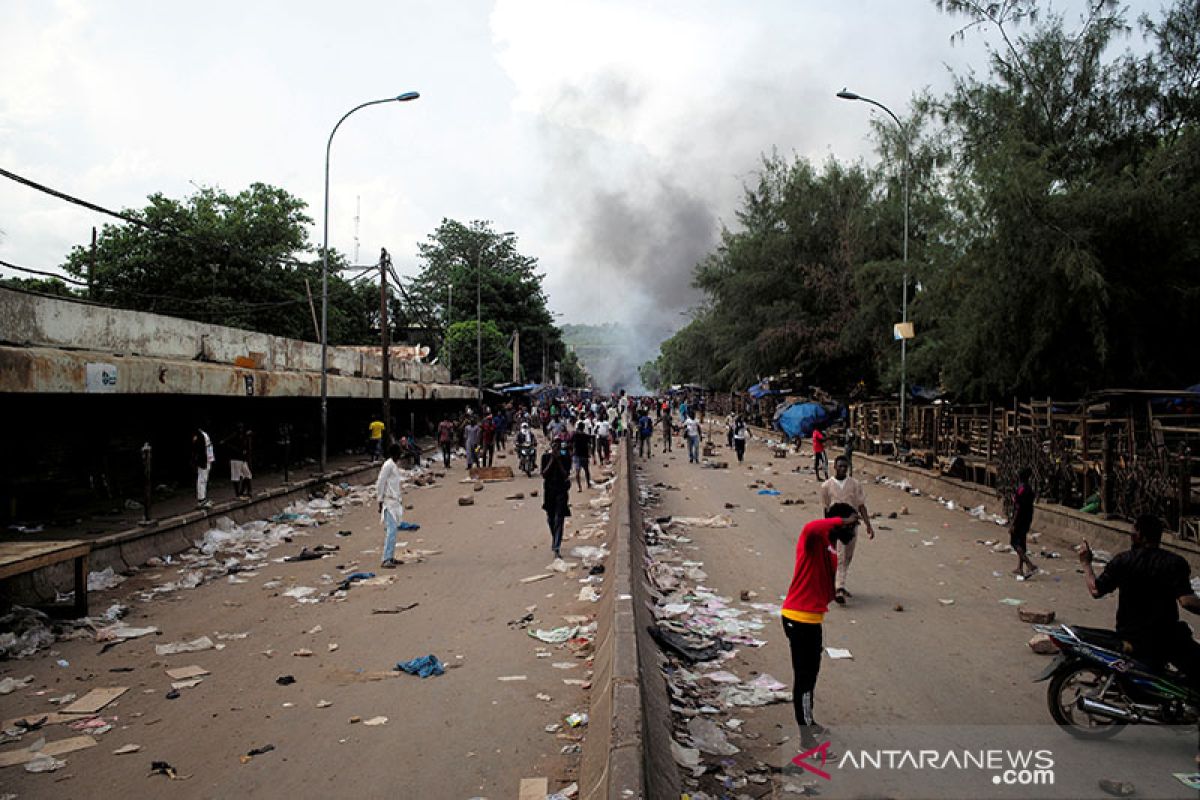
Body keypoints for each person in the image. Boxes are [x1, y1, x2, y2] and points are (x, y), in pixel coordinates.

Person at [1080, 515, 1200, 686]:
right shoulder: (1174, 563)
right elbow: (1187, 601)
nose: (1132, 537)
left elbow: (1096, 590)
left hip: (1129, 634)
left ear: (1140, 537)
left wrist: (1086, 564)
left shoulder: (1123, 561)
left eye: (1133, 534)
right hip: (1164, 636)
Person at [781, 503, 860, 752]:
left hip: (812, 619)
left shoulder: (830, 547)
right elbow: (811, 526)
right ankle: (806, 740)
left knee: (811, 675)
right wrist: (841, 521)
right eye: (852, 525)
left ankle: (810, 721)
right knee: (803, 679)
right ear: (839, 522)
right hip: (798, 617)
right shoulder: (814, 538)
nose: (853, 531)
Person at [819, 455, 876, 604]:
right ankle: (839, 588)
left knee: (847, 556)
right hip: (836, 525)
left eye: (846, 466)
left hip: (851, 525)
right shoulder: (826, 486)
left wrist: (868, 525)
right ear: (835, 467)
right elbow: (826, 508)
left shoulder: (855, 484)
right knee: (840, 556)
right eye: (841, 466)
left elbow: (861, 505)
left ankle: (838, 583)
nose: (843, 469)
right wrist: (826, 528)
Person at [541, 435, 573, 559]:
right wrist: (552, 460)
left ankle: (556, 547)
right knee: (550, 518)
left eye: (559, 445)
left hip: (561, 490)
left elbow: (566, 474)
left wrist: (558, 461)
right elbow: (544, 474)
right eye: (555, 444)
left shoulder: (565, 458)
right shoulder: (545, 457)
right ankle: (555, 538)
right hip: (549, 490)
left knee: (559, 518)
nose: (557, 447)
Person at [375, 444, 406, 568]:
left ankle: (391, 556)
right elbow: (380, 482)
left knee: (393, 530)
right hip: (388, 502)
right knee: (391, 531)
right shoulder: (388, 465)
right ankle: (386, 558)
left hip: (395, 502)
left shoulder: (393, 465)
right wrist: (380, 500)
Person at [1010, 467, 1038, 578]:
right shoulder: (1030, 489)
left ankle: (1030, 564)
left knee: (1014, 542)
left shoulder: (1021, 489)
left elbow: (1018, 507)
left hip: (1020, 518)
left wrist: (1013, 523)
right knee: (1021, 542)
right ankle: (1020, 568)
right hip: (1027, 518)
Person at [221, 423, 253, 498]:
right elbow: (225, 442)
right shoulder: (235, 435)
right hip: (236, 459)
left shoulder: (244, 436)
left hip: (242, 459)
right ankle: (238, 494)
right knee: (236, 476)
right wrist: (237, 450)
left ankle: (244, 491)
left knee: (247, 475)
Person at [192, 427, 215, 509]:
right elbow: (198, 449)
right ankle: (201, 499)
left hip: (208, 458)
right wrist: (201, 460)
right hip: (203, 460)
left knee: (204, 479)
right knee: (202, 479)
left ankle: (204, 498)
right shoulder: (198, 435)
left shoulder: (203, 433)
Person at [572, 420, 593, 490]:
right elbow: (589, 445)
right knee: (586, 470)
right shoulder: (586, 436)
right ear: (583, 428)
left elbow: (571, 443)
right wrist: (590, 454)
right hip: (584, 455)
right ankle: (588, 484)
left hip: (576, 455)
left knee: (577, 472)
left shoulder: (575, 435)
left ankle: (579, 487)